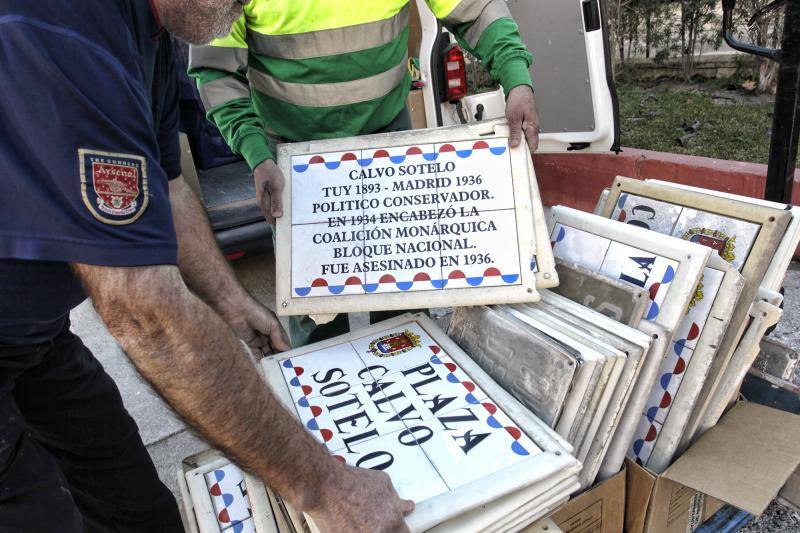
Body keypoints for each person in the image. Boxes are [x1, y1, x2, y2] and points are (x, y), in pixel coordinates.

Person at [0, 1, 413, 531]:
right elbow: (146, 314)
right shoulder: (59, 31)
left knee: (139, 510)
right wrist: (327, 488)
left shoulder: (154, 32)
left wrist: (231, 301)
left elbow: (167, 188)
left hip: (35, 336)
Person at [188, 0, 541, 347]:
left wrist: (517, 80)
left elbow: (477, 9)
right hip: (294, 159)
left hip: (386, 144)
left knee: (402, 300)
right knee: (315, 314)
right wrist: (256, 154)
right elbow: (216, 69)